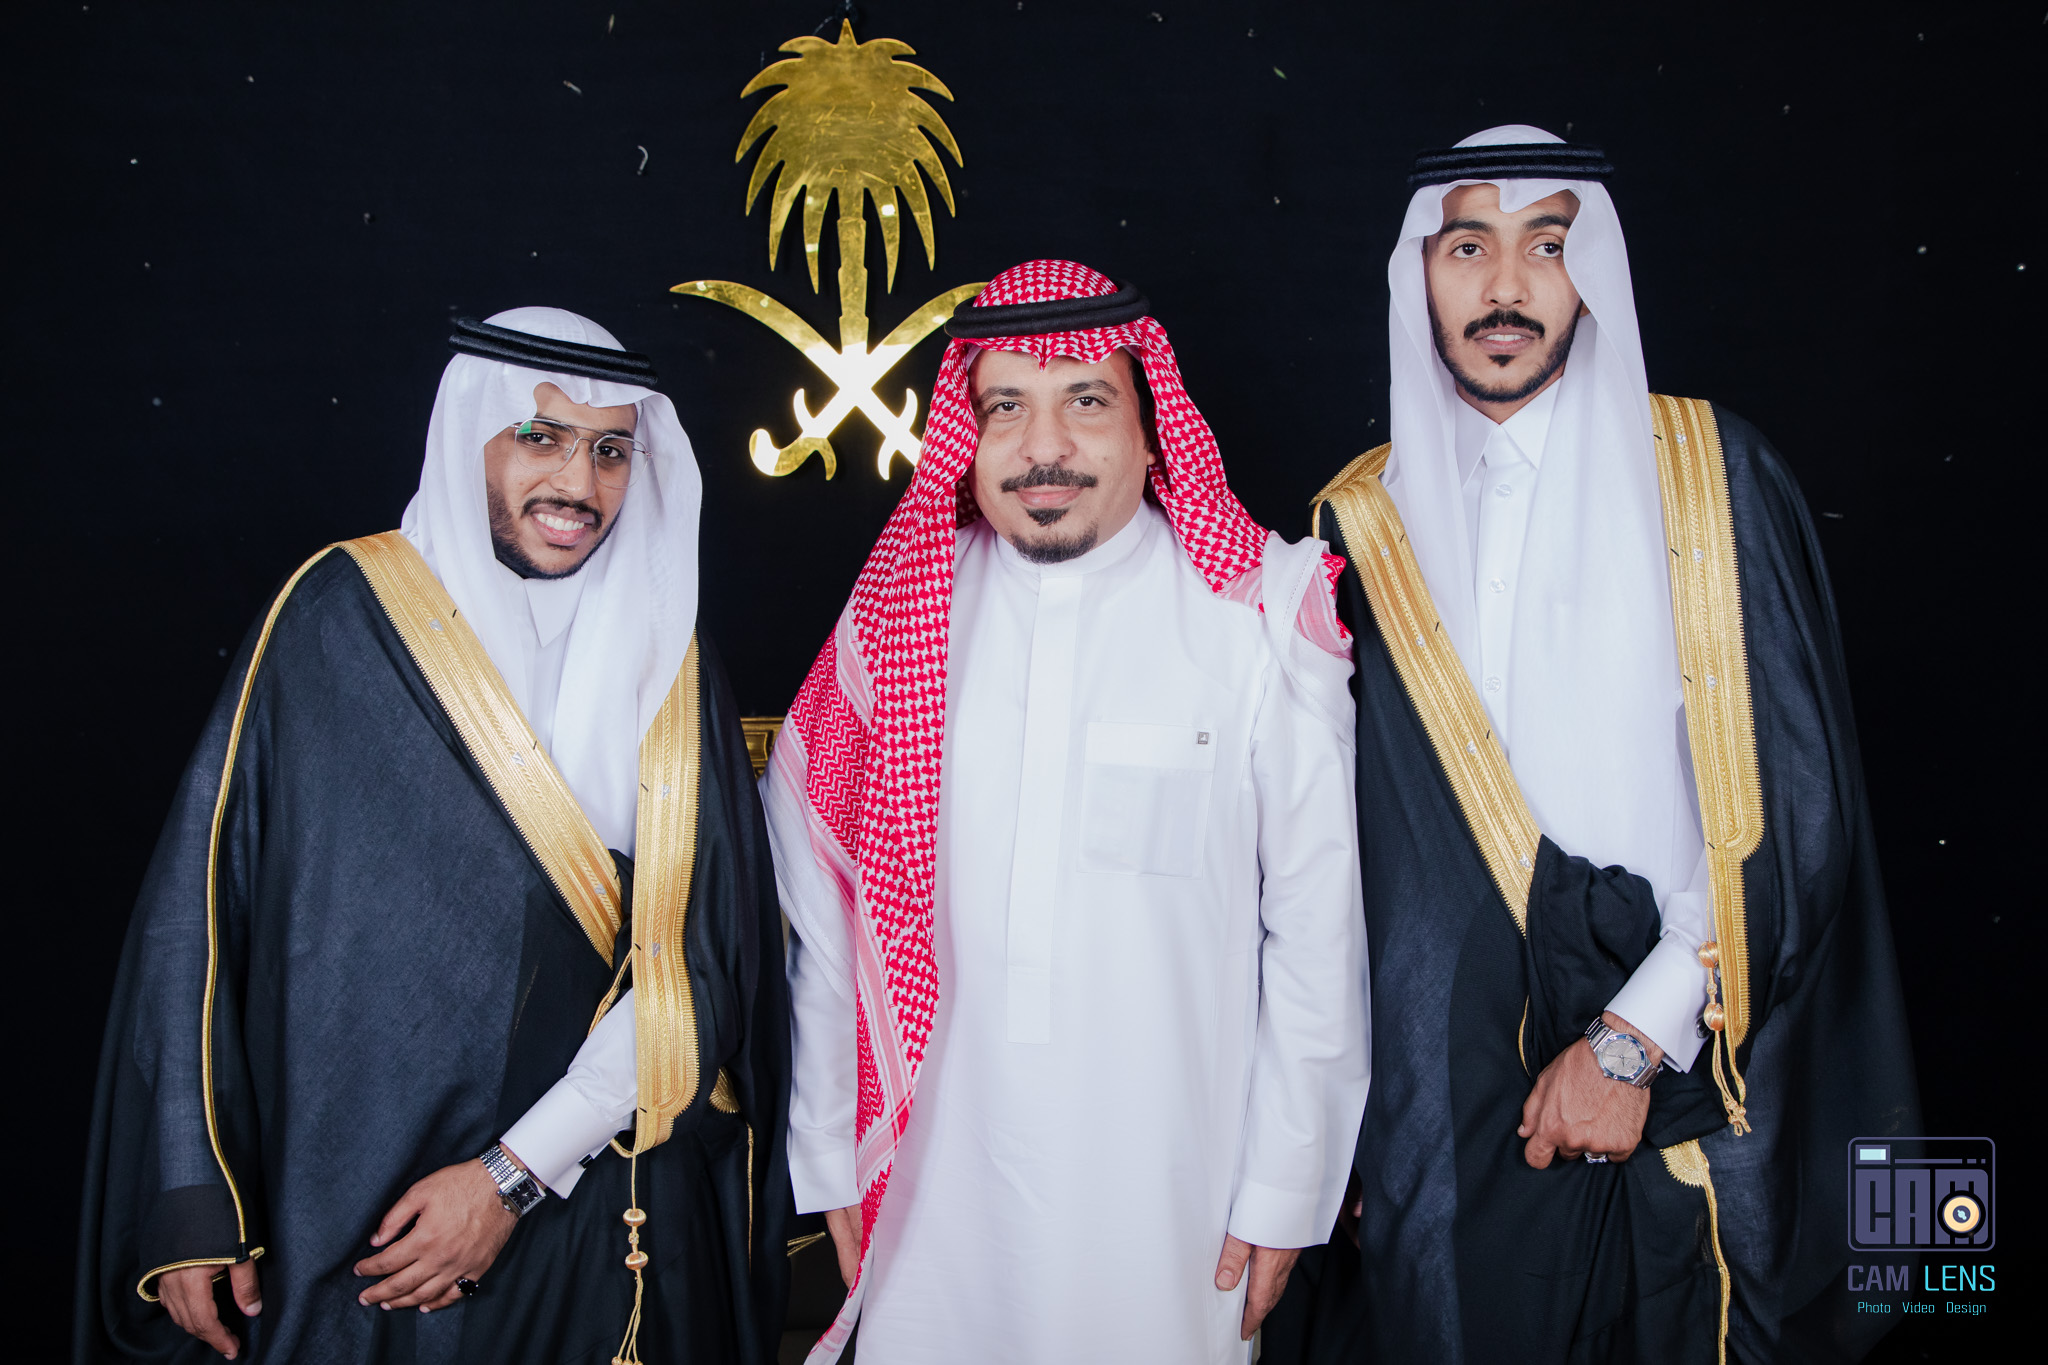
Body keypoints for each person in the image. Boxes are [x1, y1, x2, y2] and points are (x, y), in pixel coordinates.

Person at [1264, 128, 1919, 1364]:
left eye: (1546, 246)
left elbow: (1790, 804)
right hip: (1446, 1113)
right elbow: (1324, 858)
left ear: (1592, 271)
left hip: (1678, 1073)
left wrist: (1628, 1043)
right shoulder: (1355, 526)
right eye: (1467, 248)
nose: (1505, 287)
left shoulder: (1710, 478)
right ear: (1419, 273)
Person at [74, 309, 790, 1365]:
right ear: (469, 439)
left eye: (609, 451)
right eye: (539, 437)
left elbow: (702, 963)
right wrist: (194, 1192)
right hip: (347, 1211)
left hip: (600, 1201)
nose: (578, 485)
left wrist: (514, 1173)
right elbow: (203, 914)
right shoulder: (334, 617)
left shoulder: (669, 661)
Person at [762, 260, 1370, 1363]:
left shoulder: (1254, 619)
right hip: (931, 1197)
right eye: (1005, 408)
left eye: (1085, 400)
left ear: (1149, 428)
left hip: (1171, 1197)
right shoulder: (896, 623)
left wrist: (1288, 1183)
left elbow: (1316, 929)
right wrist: (826, 1146)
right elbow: (824, 918)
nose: (1043, 447)